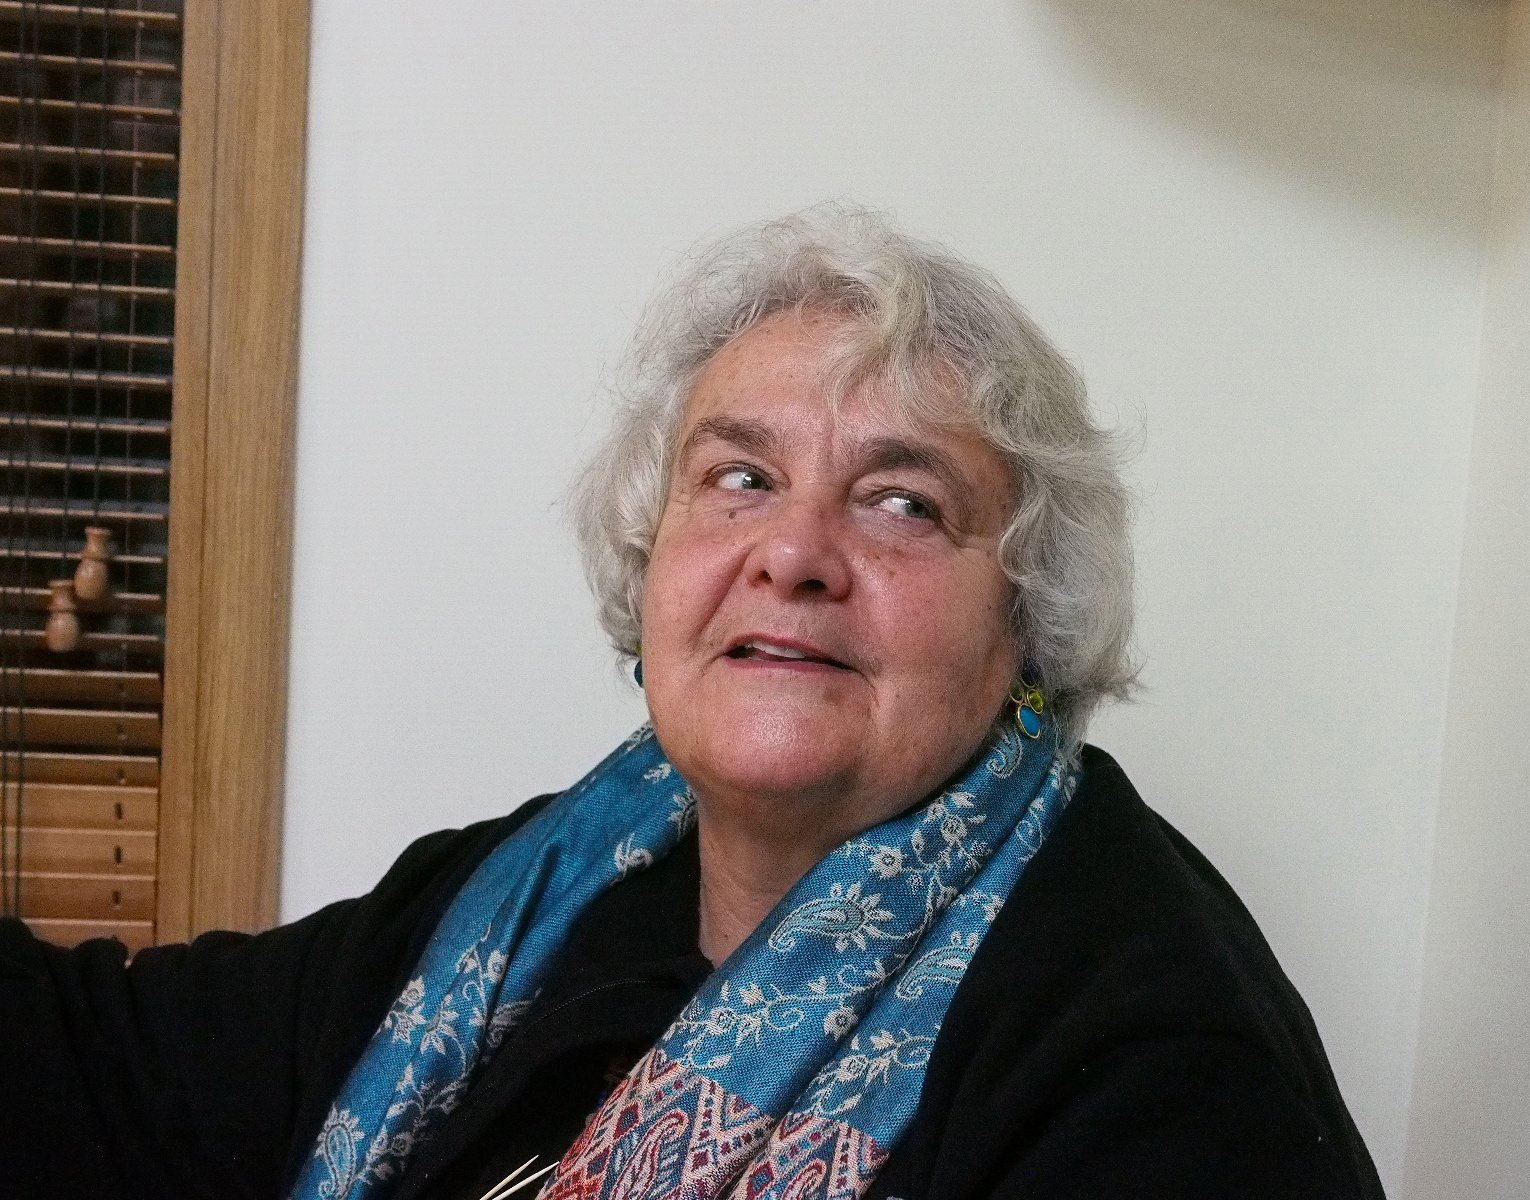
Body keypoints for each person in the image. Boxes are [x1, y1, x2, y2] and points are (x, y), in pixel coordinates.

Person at [0, 206, 1384, 1199]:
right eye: (739, 477)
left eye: (904, 501)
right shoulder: (536, 898)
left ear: (1028, 614)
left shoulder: (1161, 1068)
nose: (794, 552)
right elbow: (92, 1072)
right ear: (649, 552)